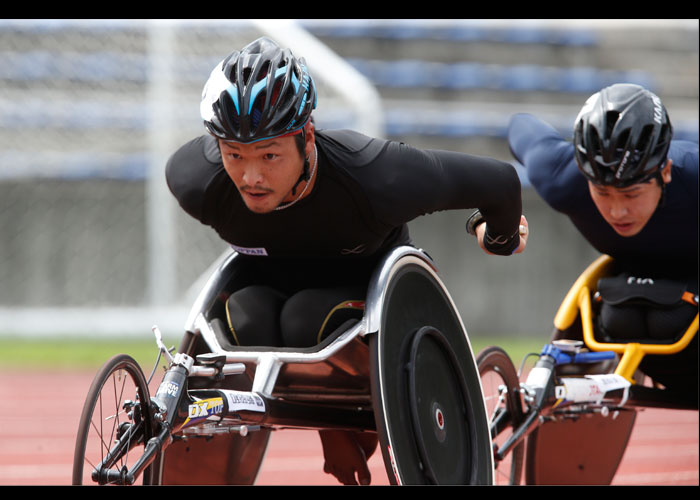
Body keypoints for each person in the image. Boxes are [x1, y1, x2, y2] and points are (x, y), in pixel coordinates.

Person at [166, 37, 528, 485]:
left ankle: (340, 425)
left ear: (307, 137)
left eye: (270, 155)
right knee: (244, 318)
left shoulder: (377, 177)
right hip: (270, 283)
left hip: (365, 286)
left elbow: (499, 182)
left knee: (303, 317)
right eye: (234, 155)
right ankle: (330, 426)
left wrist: (498, 235)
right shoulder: (196, 182)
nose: (251, 177)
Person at [508, 83, 698, 400]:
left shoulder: (692, 176)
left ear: (664, 172)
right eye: (602, 192)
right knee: (620, 317)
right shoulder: (562, 180)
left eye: (631, 193)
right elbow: (519, 124)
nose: (616, 210)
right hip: (629, 295)